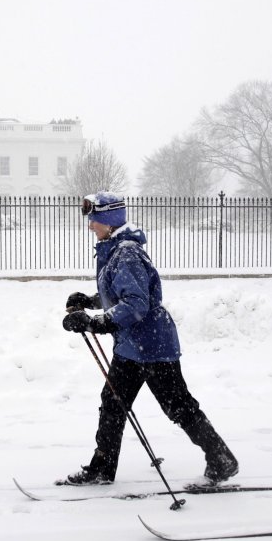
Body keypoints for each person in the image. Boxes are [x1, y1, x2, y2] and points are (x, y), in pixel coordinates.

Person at [60, 191, 238, 486]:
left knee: (178, 407)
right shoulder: (113, 249)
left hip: (153, 345)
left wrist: (94, 323)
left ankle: (221, 460)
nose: (90, 225)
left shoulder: (126, 253)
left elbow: (136, 305)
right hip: (132, 346)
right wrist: (90, 301)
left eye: (94, 219)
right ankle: (102, 467)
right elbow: (121, 294)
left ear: (109, 219)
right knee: (113, 404)